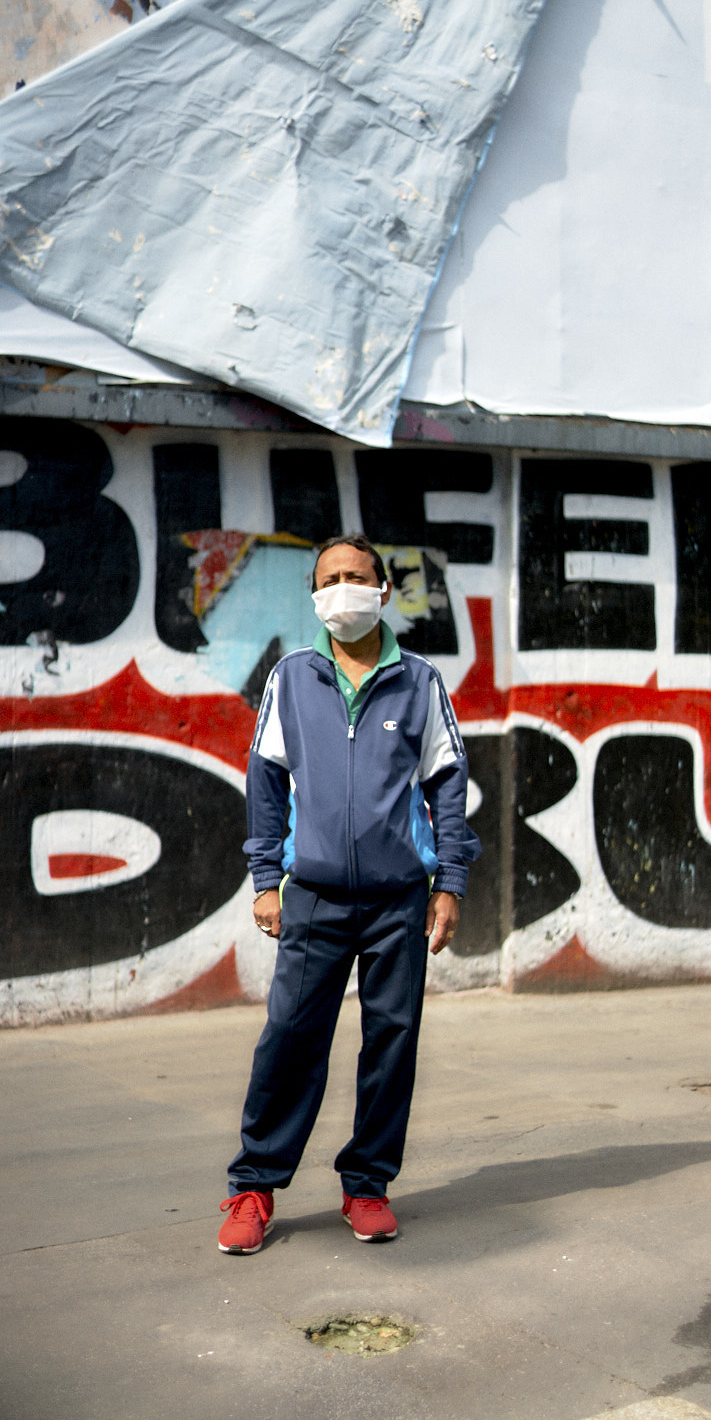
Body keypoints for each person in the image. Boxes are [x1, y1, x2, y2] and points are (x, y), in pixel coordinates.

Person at [217, 532, 479, 1255]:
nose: (343, 590)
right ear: (314, 595)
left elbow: (448, 787)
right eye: (329, 578)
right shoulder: (291, 679)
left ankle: (366, 1185)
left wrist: (448, 884)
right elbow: (266, 781)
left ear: (383, 591)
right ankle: (254, 1187)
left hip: (400, 901)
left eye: (357, 577)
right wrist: (266, 880)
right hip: (315, 899)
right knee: (291, 1040)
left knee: (391, 1041)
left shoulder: (421, 683)